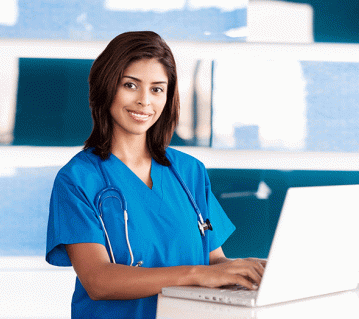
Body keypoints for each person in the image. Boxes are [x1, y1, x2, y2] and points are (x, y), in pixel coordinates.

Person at [45, 31, 265, 319]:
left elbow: (215, 261)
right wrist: (196, 274)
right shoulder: (77, 180)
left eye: (157, 89)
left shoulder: (189, 172)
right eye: (130, 85)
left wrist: (250, 273)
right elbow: (98, 280)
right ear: (106, 87)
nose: (144, 101)